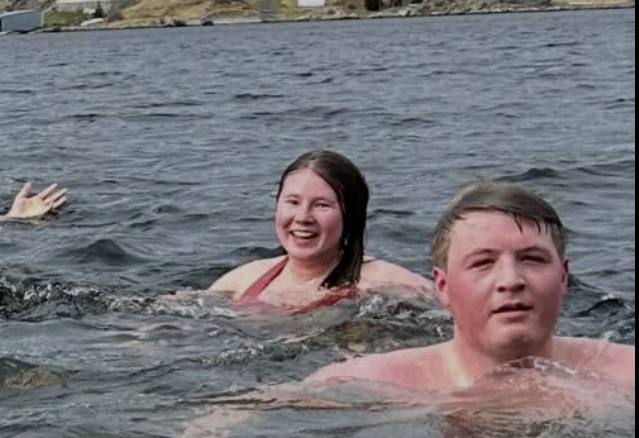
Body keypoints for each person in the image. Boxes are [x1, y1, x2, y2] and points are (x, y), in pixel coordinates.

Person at [305, 181, 633, 393]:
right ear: (443, 286)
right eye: (483, 263)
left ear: (563, 277)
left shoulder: (624, 377)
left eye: (532, 259)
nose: (511, 280)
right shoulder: (362, 386)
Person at [207, 150, 429, 310]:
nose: (303, 217)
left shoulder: (389, 284)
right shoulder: (241, 281)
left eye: (322, 205)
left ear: (350, 216)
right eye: (293, 202)